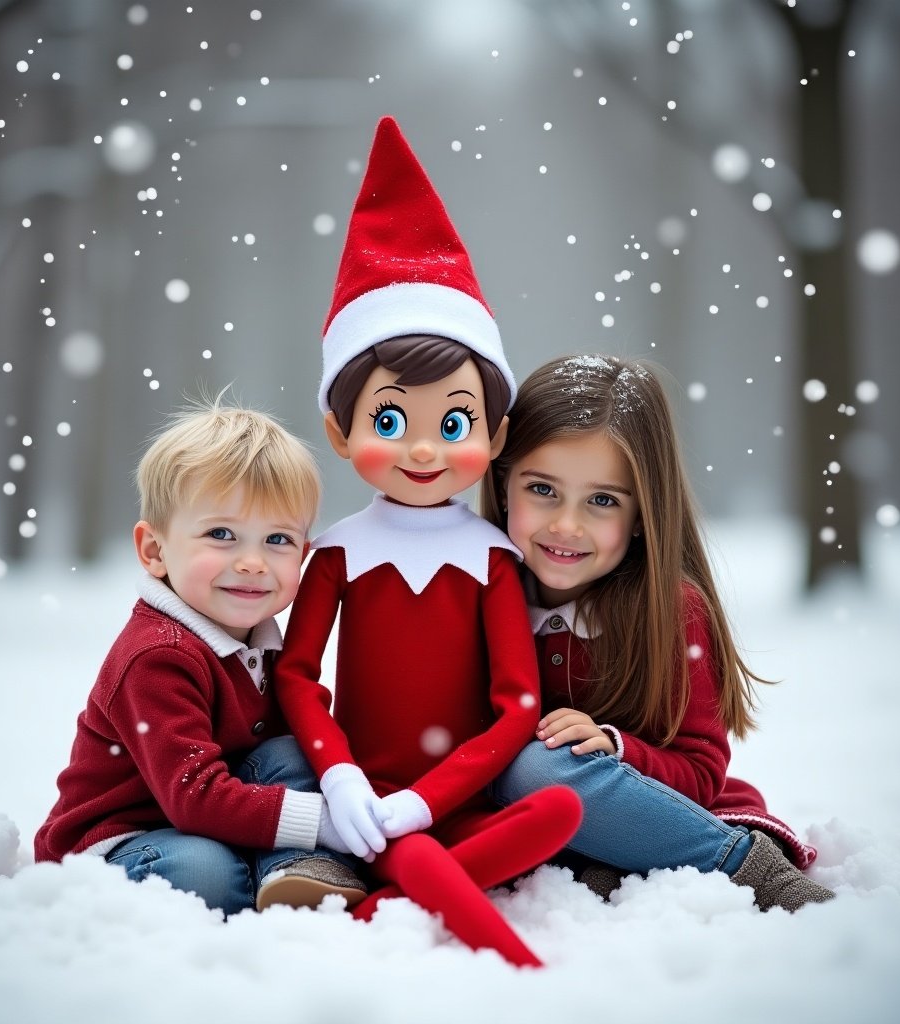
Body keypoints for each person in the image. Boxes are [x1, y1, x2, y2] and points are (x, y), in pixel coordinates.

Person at [274, 116, 582, 968]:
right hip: (364, 796)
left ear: (495, 430)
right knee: (405, 843)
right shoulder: (337, 552)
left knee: (559, 812)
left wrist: (428, 799)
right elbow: (298, 675)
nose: (421, 449)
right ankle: (510, 958)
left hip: (455, 801)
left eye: (452, 422)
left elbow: (517, 704)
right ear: (340, 434)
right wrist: (342, 778)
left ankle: (389, 895)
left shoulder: (493, 557)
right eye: (387, 420)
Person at [480, 354, 834, 913]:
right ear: (504, 486)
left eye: (601, 501)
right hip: (521, 827)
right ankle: (604, 866)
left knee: (538, 769)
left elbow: (698, 773)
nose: (566, 524)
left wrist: (615, 750)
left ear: (643, 512)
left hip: (655, 806)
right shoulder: (474, 594)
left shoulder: (668, 611)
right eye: (542, 489)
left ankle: (742, 866)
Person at [34, 399, 367, 916]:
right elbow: (193, 796)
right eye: (221, 534)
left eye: (277, 539)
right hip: (125, 839)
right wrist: (326, 821)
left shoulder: (267, 642)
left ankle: (293, 871)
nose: (253, 562)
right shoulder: (157, 655)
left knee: (299, 751)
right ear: (155, 550)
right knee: (204, 872)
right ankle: (264, 871)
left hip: (214, 817)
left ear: (303, 555)